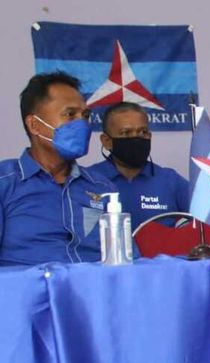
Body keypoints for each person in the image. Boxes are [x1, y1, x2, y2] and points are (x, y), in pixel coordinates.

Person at [0, 72, 118, 267]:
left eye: (86, 116)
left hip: (93, 292)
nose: (82, 124)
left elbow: (125, 262)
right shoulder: (5, 183)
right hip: (29, 293)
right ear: (35, 125)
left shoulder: (103, 187)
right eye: (70, 114)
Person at [87, 102, 190, 230]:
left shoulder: (170, 180)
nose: (135, 138)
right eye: (125, 132)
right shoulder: (88, 180)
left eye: (142, 132)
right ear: (106, 141)